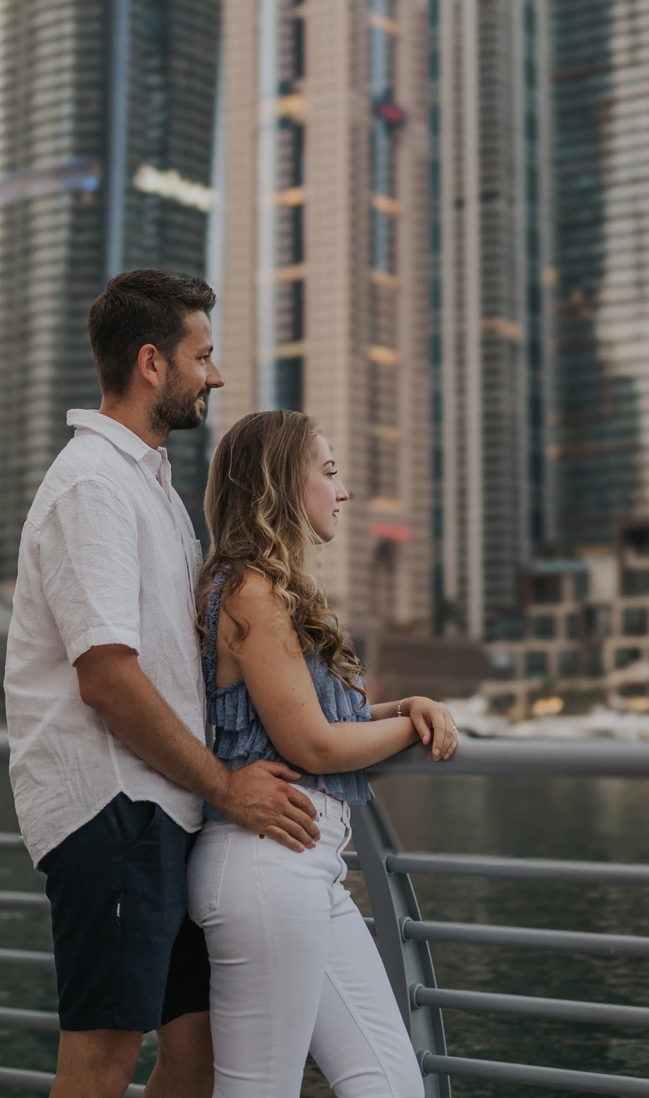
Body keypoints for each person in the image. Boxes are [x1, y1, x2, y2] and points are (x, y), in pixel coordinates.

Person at [4, 271, 321, 1098]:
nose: (213, 376)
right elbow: (107, 679)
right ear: (152, 363)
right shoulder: (93, 487)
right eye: (202, 355)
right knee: (103, 1062)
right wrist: (228, 787)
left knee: (200, 1056)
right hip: (115, 814)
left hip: (162, 812)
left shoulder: (147, 484)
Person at [189, 408, 459, 1097]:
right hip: (267, 866)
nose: (341, 492)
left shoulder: (264, 589)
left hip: (302, 870)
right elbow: (310, 743)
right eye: (329, 473)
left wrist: (404, 708)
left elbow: (310, 720)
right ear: (284, 482)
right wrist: (408, 730)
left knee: (389, 1084)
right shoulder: (251, 591)